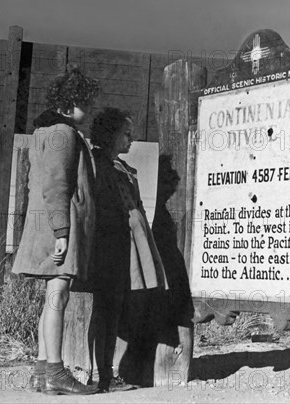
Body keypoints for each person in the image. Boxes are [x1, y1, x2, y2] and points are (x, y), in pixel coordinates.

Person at [12, 64, 100, 395]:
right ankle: (56, 373)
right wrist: (62, 231)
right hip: (58, 227)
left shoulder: (45, 132)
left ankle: (40, 371)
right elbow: (58, 185)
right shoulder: (63, 134)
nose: (88, 111)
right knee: (58, 296)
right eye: (84, 104)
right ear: (66, 105)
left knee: (53, 295)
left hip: (48, 224)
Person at [89, 107, 168, 393]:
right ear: (110, 134)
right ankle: (102, 376)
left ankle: (112, 372)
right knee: (106, 311)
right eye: (126, 134)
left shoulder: (120, 167)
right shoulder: (97, 164)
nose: (131, 140)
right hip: (108, 245)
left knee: (122, 307)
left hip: (129, 245)